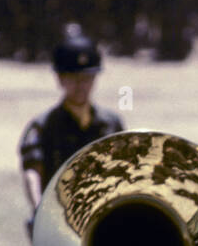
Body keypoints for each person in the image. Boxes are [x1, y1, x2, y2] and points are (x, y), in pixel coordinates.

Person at [19, 29, 124, 235]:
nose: (80, 85)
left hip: (104, 223)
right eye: (73, 77)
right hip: (59, 222)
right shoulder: (43, 127)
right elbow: (32, 172)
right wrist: (38, 208)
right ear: (59, 79)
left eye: (87, 78)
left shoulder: (111, 125)